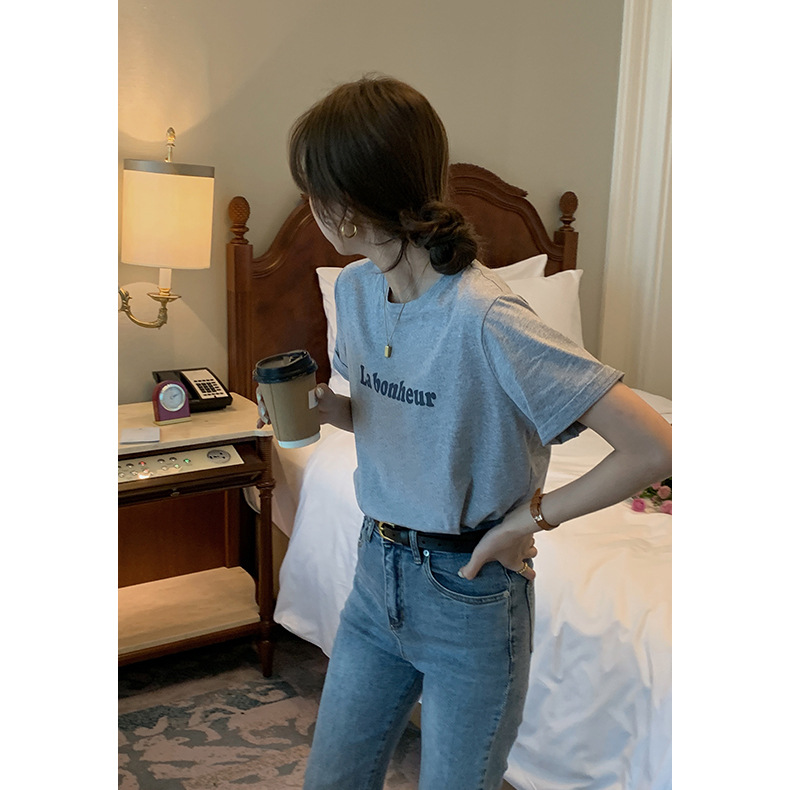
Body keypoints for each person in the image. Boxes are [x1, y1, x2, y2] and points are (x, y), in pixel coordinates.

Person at [258, 75, 672, 790]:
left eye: (311, 191)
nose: (310, 205)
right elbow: (401, 415)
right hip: (376, 573)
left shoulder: (488, 317)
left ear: (345, 206)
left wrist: (529, 519)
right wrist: (331, 410)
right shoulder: (356, 292)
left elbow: (654, 445)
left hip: (470, 597)